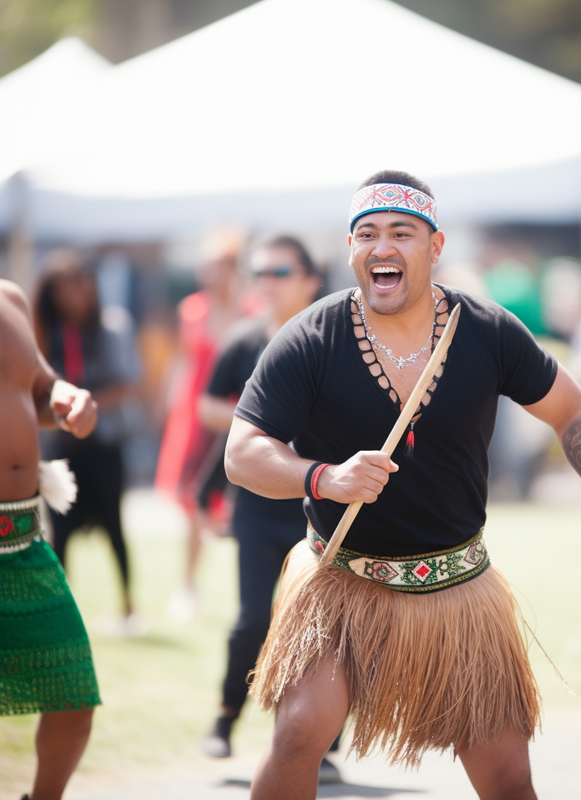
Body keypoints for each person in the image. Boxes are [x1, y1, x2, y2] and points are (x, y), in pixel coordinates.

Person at [224, 170, 581, 800]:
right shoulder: (311, 337)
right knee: (300, 731)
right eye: (367, 234)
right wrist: (324, 477)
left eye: (402, 232)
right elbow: (242, 452)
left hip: (458, 586)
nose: (382, 247)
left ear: (435, 246)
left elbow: (573, 411)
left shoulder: (488, 330)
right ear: (351, 251)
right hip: (340, 581)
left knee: (505, 775)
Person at [198, 235, 341, 780]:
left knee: (328, 626)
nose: (267, 281)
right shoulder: (243, 341)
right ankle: (224, 719)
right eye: (259, 272)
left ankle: (321, 746)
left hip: (325, 501)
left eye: (280, 271)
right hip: (258, 503)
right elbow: (208, 408)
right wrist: (264, 417)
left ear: (310, 279)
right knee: (255, 617)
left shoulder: (342, 339)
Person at [0, 278, 101, 800]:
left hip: (22, 538)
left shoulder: (9, 298)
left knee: (71, 693)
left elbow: (35, 388)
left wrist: (63, 397)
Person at [33, 250, 140, 629]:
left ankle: (129, 610)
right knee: (59, 534)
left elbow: (126, 382)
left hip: (104, 443)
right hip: (61, 448)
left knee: (114, 527)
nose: (72, 294)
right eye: (62, 287)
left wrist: (86, 406)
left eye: (78, 284)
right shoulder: (42, 332)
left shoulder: (111, 326)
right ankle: (62, 611)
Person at [155, 227, 248, 620]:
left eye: (221, 265)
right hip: (196, 413)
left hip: (237, 411)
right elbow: (185, 360)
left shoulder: (251, 309)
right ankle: (188, 585)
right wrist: (168, 399)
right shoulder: (192, 310)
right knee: (193, 499)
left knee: (237, 502)